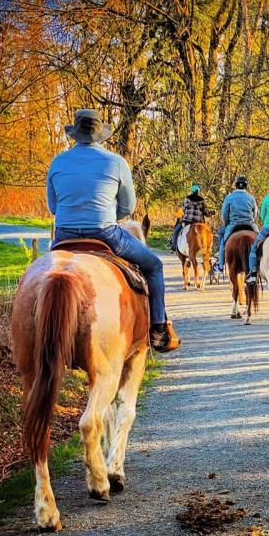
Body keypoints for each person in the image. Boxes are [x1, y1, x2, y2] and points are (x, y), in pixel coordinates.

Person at [47, 109, 180, 353]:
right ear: (100, 135)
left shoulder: (57, 162)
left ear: (75, 133)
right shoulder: (116, 162)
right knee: (154, 266)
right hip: (105, 233)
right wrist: (111, 215)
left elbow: (53, 207)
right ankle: (159, 328)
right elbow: (128, 206)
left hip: (63, 235)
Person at [212, 175, 259, 274]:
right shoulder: (251, 198)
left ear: (236, 185)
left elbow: (224, 213)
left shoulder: (229, 197)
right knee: (261, 241)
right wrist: (252, 221)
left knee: (223, 241)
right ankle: (262, 263)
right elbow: (255, 214)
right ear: (246, 186)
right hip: (250, 224)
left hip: (233, 224)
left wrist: (226, 223)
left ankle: (220, 265)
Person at [171, 183, 213, 252]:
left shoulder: (187, 199)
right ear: (198, 191)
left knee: (176, 230)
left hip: (187, 221)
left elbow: (184, 209)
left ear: (191, 191)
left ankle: (174, 245)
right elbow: (206, 212)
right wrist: (211, 213)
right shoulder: (202, 200)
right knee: (207, 232)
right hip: (199, 222)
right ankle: (208, 247)